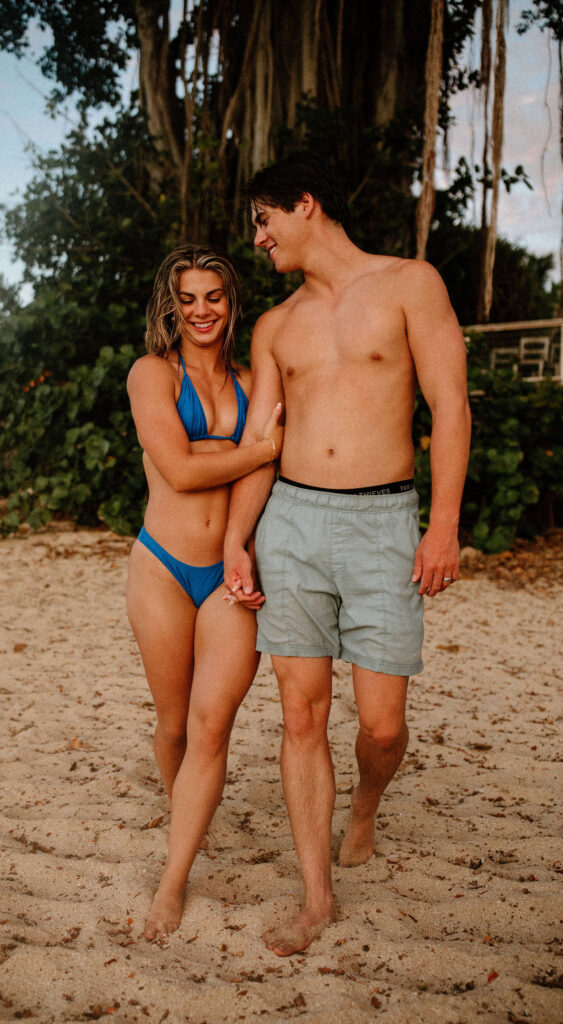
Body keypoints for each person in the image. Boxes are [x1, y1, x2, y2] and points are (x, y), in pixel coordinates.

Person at [223, 152, 471, 956]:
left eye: (264, 220)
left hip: (384, 524)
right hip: (290, 526)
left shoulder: (410, 284)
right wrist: (237, 540)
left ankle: (363, 806)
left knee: (381, 725)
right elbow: (260, 444)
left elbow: (450, 405)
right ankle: (314, 895)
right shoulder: (273, 327)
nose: (258, 240)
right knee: (300, 712)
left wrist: (442, 526)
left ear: (304, 205)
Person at [126, 244, 283, 941]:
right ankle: (182, 813)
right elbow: (181, 472)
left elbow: (254, 481)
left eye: (212, 297)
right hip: (160, 565)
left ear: (230, 302)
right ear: (170, 304)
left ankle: (171, 880)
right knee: (173, 724)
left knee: (211, 725)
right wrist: (257, 448)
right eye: (187, 298)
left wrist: (236, 536)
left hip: (230, 573)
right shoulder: (150, 375)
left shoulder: (254, 379)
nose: (200, 310)